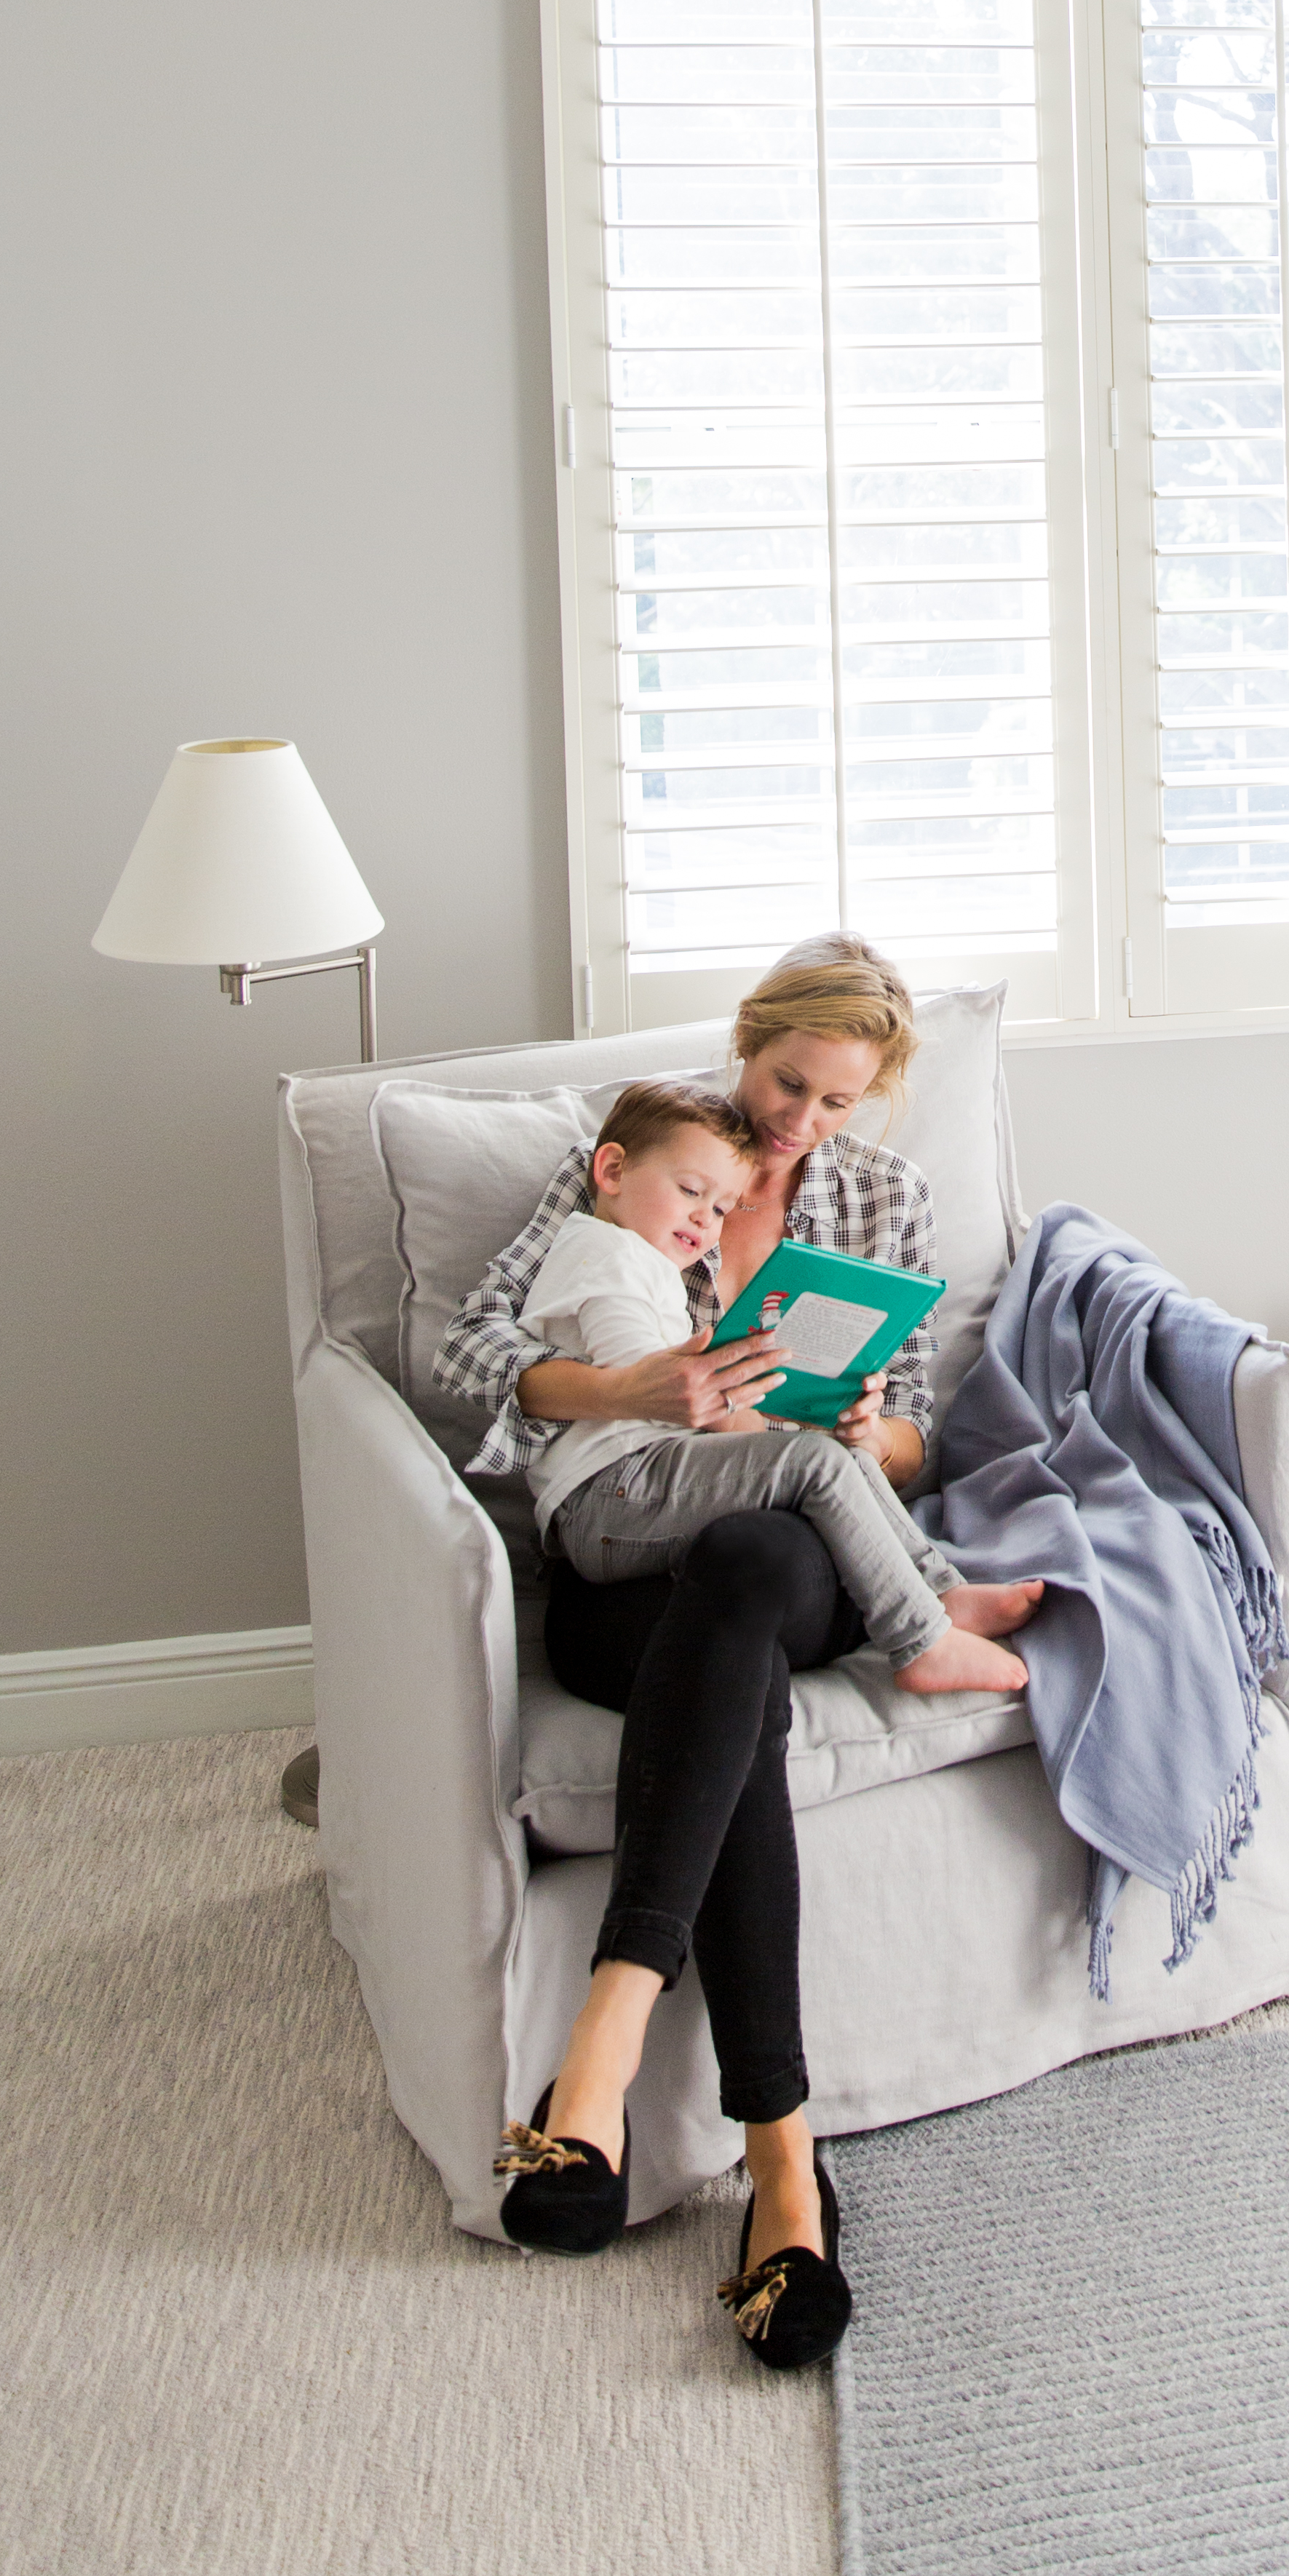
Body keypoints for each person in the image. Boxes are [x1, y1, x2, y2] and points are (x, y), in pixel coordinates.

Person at [430, 935, 958, 2363]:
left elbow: (919, 1425)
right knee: (724, 1666)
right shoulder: (651, 1153)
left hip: (798, 1549)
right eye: (791, 1083)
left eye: (838, 1104)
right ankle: (786, 2163)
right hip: (626, 1555)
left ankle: (597, 2059)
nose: (802, 1124)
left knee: (750, 1556)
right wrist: (638, 1386)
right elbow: (477, 1360)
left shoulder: (882, 1199)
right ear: (750, 1043)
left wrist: (868, 1439)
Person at [515, 1075, 1034, 1694]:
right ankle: (920, 1641)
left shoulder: (641, 1258)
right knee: (814, 1461)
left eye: (718, 1210)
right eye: (689, 1192)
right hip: (609, 1496)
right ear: (611, 1170)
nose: (704, 1221)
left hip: (641, 1481)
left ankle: (943, 1593)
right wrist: (733, 1395)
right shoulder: (609, 1255)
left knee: (837, 1456)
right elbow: (657, 1384)